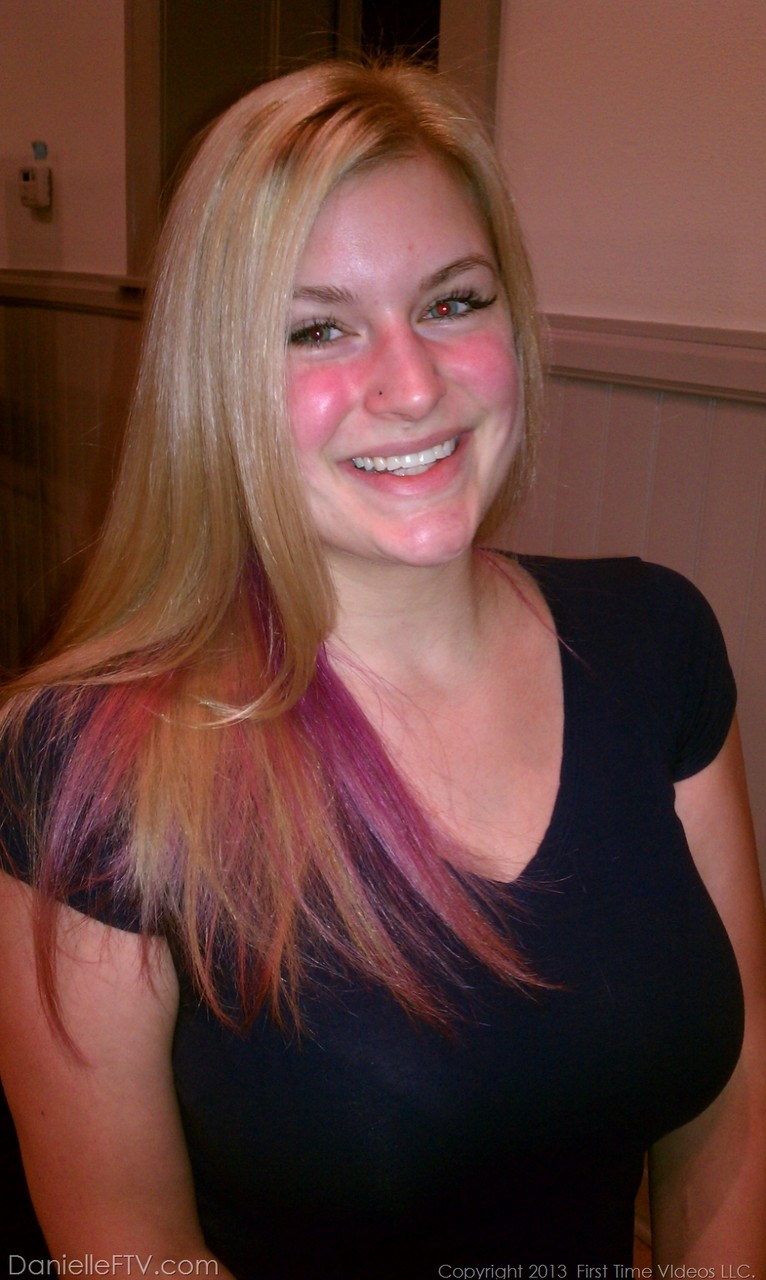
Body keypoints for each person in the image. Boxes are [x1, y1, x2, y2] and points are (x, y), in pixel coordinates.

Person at [0, 58, 764, 1280]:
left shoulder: (658, 642)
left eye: (452, 302)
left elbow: (728, 1109)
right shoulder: (89, 759)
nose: (412, 385)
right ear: (216, 380)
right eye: (317, 327)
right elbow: (129, 1250)